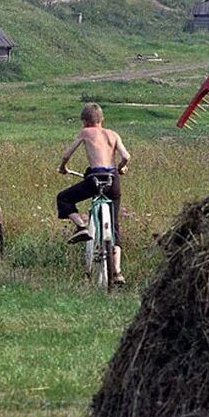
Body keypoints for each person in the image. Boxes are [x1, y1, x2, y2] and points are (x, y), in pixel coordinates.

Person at [57, 103, 131, 284]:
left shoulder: (85, 133)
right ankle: (118, 272)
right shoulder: (113, 134)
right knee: (114, 226)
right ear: (102, 119)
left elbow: (66, 154)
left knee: (63, 198)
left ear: (84, 121)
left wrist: (63, 167)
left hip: (95, 179)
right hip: (113, 180)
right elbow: (126, 156)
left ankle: (81, 226)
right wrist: (120, 168)